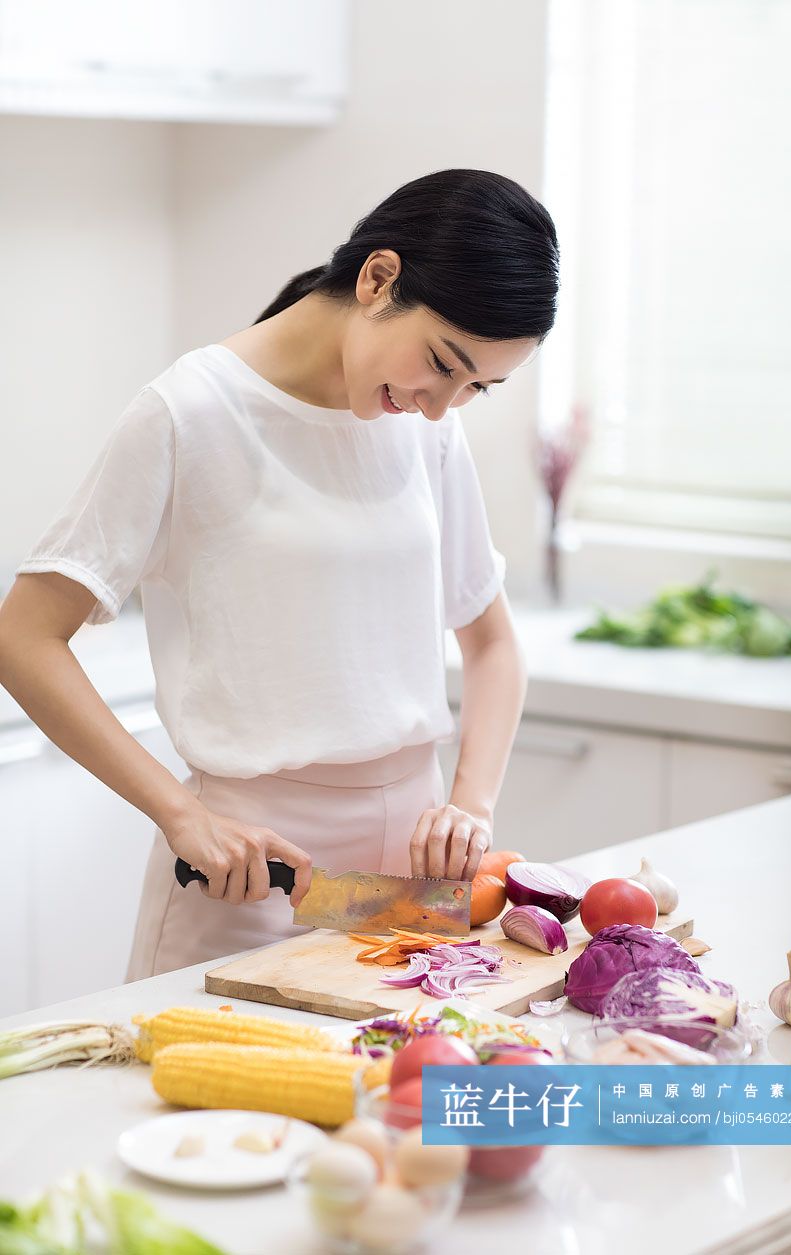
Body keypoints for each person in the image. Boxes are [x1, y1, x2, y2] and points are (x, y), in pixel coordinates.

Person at [0, 168, 559, 979]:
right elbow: (23, 635)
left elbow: (493, 644)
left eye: (475, 388)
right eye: (442, 363)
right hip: (249, 877)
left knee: (384, 1101)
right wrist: (180, 812)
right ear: (377, 278)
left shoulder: (424, 428)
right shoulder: (191, 413)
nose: (441, 405)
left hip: (414, 885)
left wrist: (469, 804)